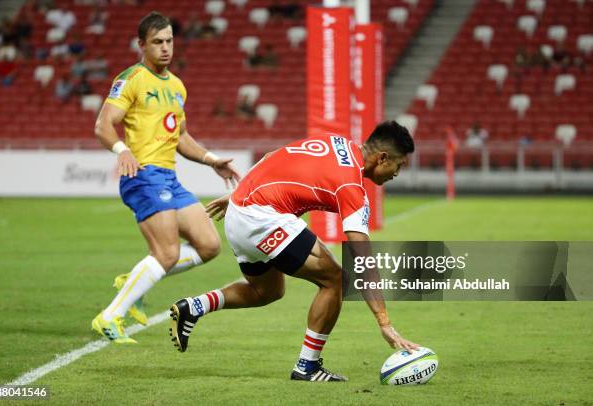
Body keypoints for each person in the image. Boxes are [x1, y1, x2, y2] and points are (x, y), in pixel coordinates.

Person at [169, 121, 419, 381]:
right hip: (261, 218)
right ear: (382, 158)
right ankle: (307, 367)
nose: (397, 173)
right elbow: (362, 260)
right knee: (335, 279)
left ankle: (194, 306)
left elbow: (271, 157)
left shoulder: (336, 142)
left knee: (267, 291)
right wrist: (384, 323)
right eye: (399, 165)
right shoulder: (351, 187)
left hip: (240, 213)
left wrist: (238, 194)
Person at [92, 11, 241, 344]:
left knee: (209, 244)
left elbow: (181, 137)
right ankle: (110, 317)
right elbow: (103, 124)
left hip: (169, 178)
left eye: (169, 41)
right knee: (167, 253)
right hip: (143, 175)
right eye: (157, 42)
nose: (165, 48)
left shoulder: (176, 87)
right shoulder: (132, 79)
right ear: (141, 44)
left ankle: (135, 278)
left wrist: (211, 160)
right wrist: (122, 151)